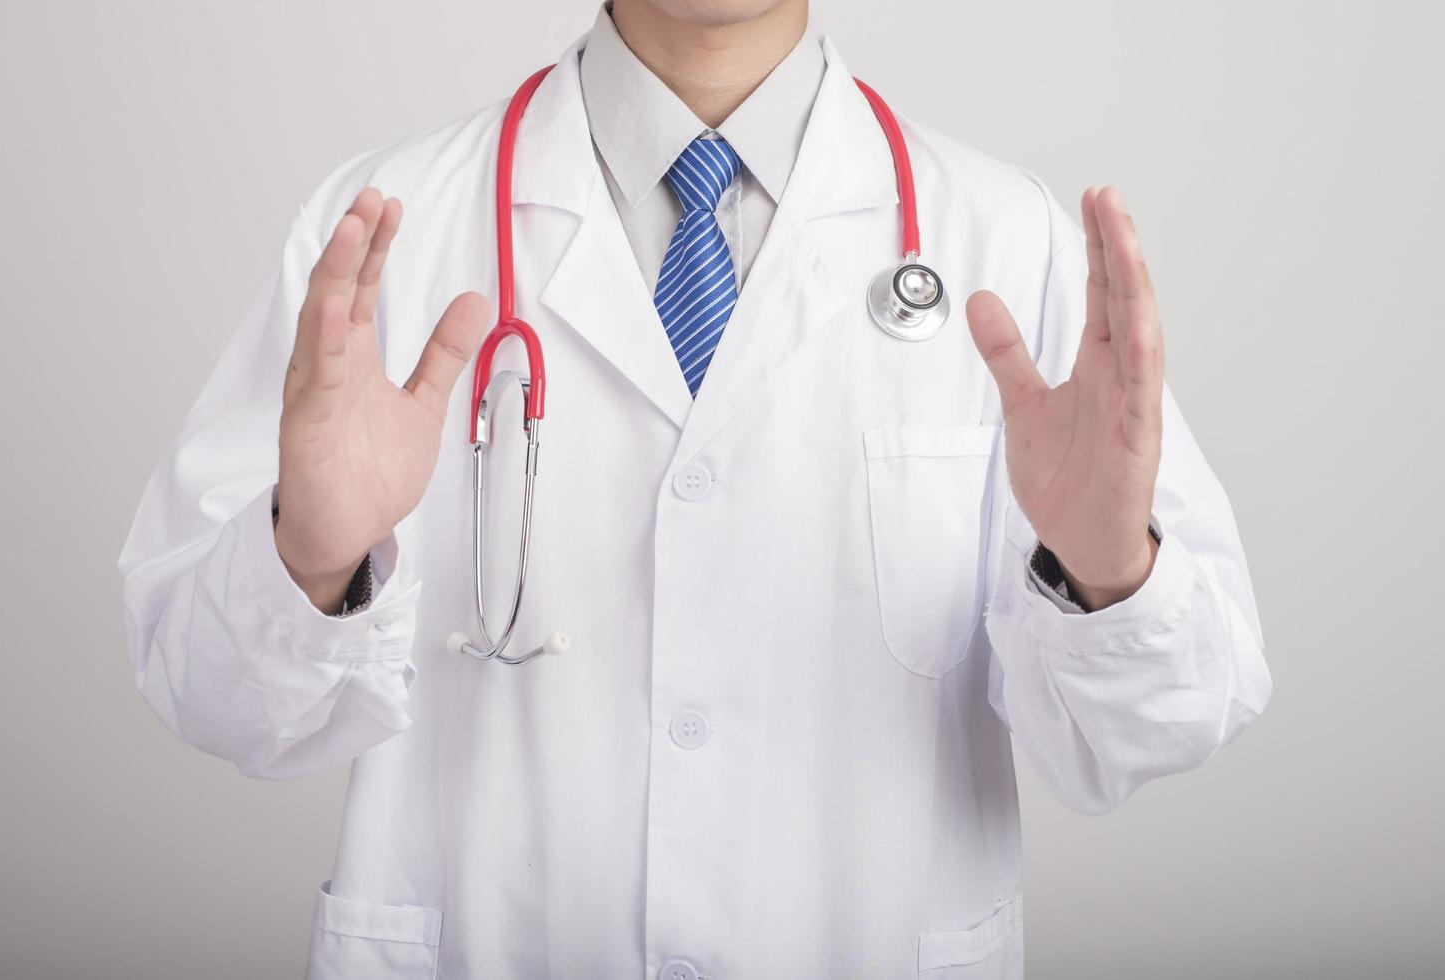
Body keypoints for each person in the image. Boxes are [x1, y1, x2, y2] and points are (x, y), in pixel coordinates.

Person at [116, 1, 1271, 976]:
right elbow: (215, 703)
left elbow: (1150, 734)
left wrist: (1106, 573)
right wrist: (308, 558)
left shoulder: (1003, 240)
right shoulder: (382, 232)